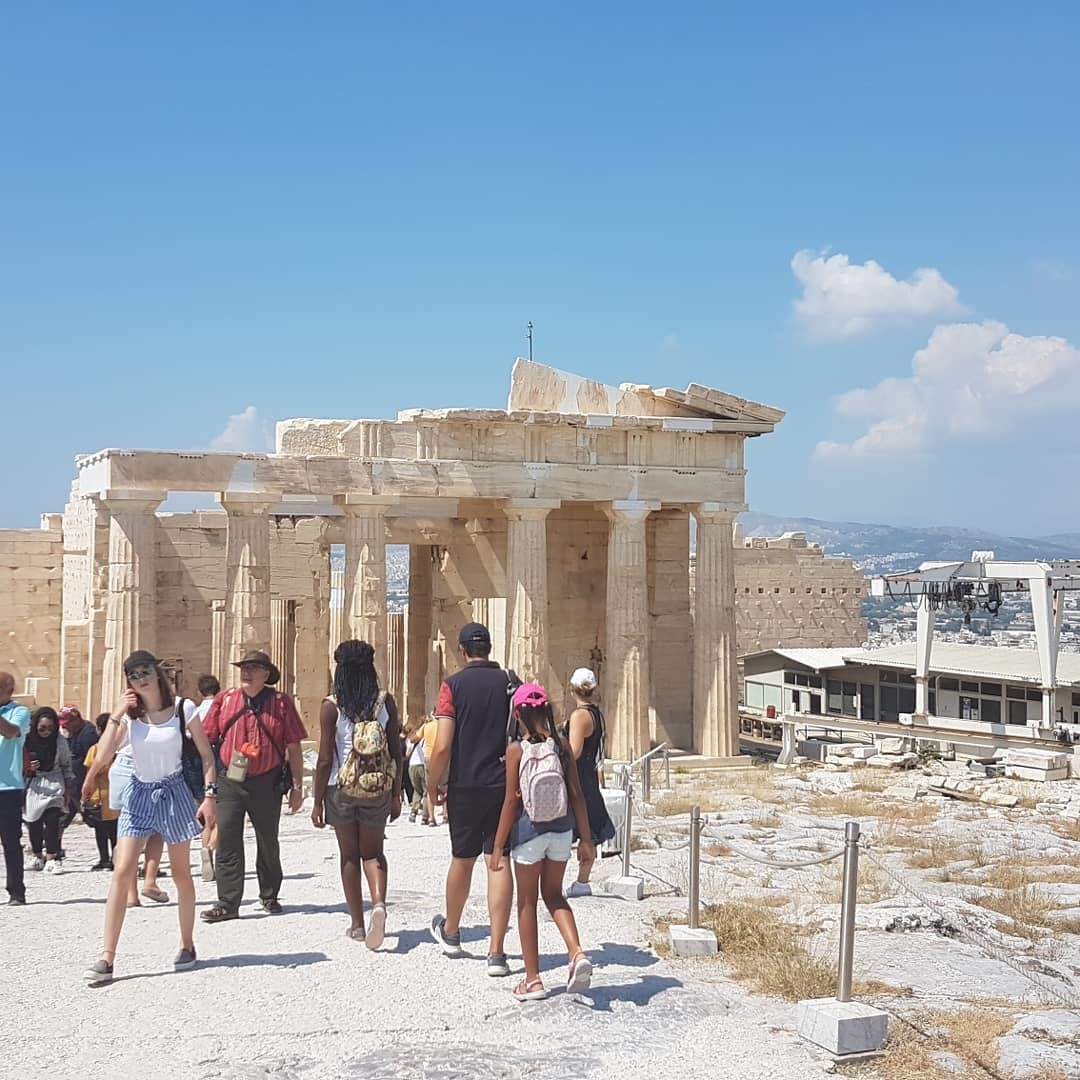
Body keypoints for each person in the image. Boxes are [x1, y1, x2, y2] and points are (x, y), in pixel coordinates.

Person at [81, 650, 217, 984]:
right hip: (139, 792)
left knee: (182, 874)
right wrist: (117, 711)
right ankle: (107, 956)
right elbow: (106, 750)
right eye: (132, 675)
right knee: (123, 869)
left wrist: (210, 797)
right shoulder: (130, 717)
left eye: (144, 672)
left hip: (173, 793)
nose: (140, 679)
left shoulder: (184, 708)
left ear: (156, 673)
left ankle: (187, 944)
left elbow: (206, 756)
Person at [492, 682, 594, 1001]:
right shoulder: (562, 746)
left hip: (529, 832)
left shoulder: (515, 750)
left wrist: (498, 845)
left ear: (518, 715)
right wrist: (587, 840)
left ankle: (533, 980)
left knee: (526, 903)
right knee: (554, 895)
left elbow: (511, 802)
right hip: (562, 831)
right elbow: (576, 795)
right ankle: (576, 952)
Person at [428, 622, 518, 978]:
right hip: (504, 785)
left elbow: (444, 743)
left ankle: (451, 931)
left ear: (462, 651)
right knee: (498, 861)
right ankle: (497, 952)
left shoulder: (452, 685)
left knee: (462, 860)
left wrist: (433, 784)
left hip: (465, 784)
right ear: (490, 648)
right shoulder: (511, 683)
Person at [200, 650, 306, 922]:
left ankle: (269, 894)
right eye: (244, 667)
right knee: (228, 841)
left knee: (267, 840)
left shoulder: (281, 703)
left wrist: (296, 786)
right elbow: (206, 741)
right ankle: (228, 901)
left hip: (266, 781)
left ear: (266, 674)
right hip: (231, 781)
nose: (246, 672)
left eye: (254, 668)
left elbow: (293, 746)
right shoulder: (224, 700)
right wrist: (208, 787)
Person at [311, 640, 403, 946]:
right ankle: (378, 903)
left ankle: (357, 924)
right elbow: (397, 751)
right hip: (377, 786)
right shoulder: (384, 703)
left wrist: (317, 801)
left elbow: (325, 759)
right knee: (374, 853)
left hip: (341, 788)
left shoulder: (331, 706)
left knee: (349, 855)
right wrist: (396, 793)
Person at [561, 668, 615, 897]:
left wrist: (555, 747)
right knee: (588, 832)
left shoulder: (579, 715)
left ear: (571, 689)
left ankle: (555, 883)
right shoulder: (597, 714)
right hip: (590, 778)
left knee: (564, 833)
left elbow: (574, 751)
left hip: (576, 780)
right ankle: (582, 882)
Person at [24, 707, 75, 873]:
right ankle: (38, 855)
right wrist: (27, 766)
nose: (46, 732)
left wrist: (68, 788)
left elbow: (66, 765)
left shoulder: (60, 742)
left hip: (54, 781)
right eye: (42, 728)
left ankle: (52, 857)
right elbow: (16, 763)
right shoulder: (26, 740)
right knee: (34, 822)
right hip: (34, 783)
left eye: (50, 728)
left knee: (53, 820)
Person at [0, 672, 31, 904]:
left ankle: (16, 891)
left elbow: (10, 732)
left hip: (7, 787)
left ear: (8, 690)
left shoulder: (19, 712)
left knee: (11, 841)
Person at [57, 705, 97, 860]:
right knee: (61, 819)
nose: (65, 726)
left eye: (68, 722)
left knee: (93, 819)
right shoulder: (72, 734)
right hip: (73, 785)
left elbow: (91, 760)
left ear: (77, 719)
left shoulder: (88, 734)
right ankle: (54, 850)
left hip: (83, 784)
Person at [82, 714, 120, 870]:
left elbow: (90, 771)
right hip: (117, 794)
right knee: (115, 832)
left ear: (98, 729)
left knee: (101, 831)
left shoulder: (96, 749)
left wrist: (84, 796)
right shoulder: (120, 748)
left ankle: (104, 859)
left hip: (100, 795)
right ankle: (117, 859)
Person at [193, 675, 221, 883]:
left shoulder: (194, 712)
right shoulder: (222, 708)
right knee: (223, 816)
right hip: (219, 765)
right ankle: (211, 848)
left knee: (207, 819)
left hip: (198, 769)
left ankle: (205, 848)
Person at [406, 721, 428, 824]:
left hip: (412, 765)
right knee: (426, 791)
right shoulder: (428, 737)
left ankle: (413, 813)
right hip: (423, 764)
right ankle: (425, 816)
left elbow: (407, 753)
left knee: (417, 790)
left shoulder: (412, 739)